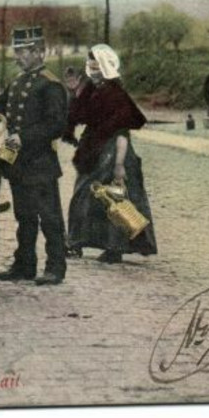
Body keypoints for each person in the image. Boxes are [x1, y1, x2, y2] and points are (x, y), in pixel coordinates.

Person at [0, 27, 69, 286]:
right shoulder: (18, 82)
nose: (16, 58)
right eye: (16, 52)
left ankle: (55, 267)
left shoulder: (51, 84)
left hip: (41, 163)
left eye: (21, 52)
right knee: (24, 216)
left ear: (38, 52)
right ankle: (24, 265)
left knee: (49, 217)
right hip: (19, 164)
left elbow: (56, 125)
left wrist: (24, 137)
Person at [65, 45, 157, 264]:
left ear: (105, 67)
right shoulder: (91, 90)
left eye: (96, 66)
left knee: (114, 199)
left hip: (113, 151)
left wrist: (119, 164)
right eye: (89, 66)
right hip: (93, 149)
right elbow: (78, 114)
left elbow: (122, 132)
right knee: (84, 196)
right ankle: (76, 242)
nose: (92, 70)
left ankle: (114, 247)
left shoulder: (115, 94)